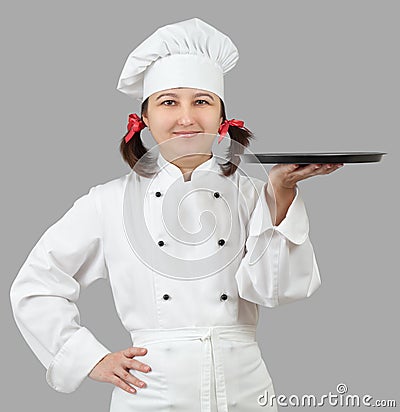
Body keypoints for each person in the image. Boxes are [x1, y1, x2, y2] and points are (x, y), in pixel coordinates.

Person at [10, 18, 343, 411]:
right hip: (151, 394)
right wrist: (89, 359)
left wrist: (282, 192)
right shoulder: (108, 202)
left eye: (201, 101)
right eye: (169, 102)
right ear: (145, 118)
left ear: (222, 117)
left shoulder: (253, 194)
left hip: (247, 391)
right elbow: (35, 286)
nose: (186, 118)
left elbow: (275, 290)